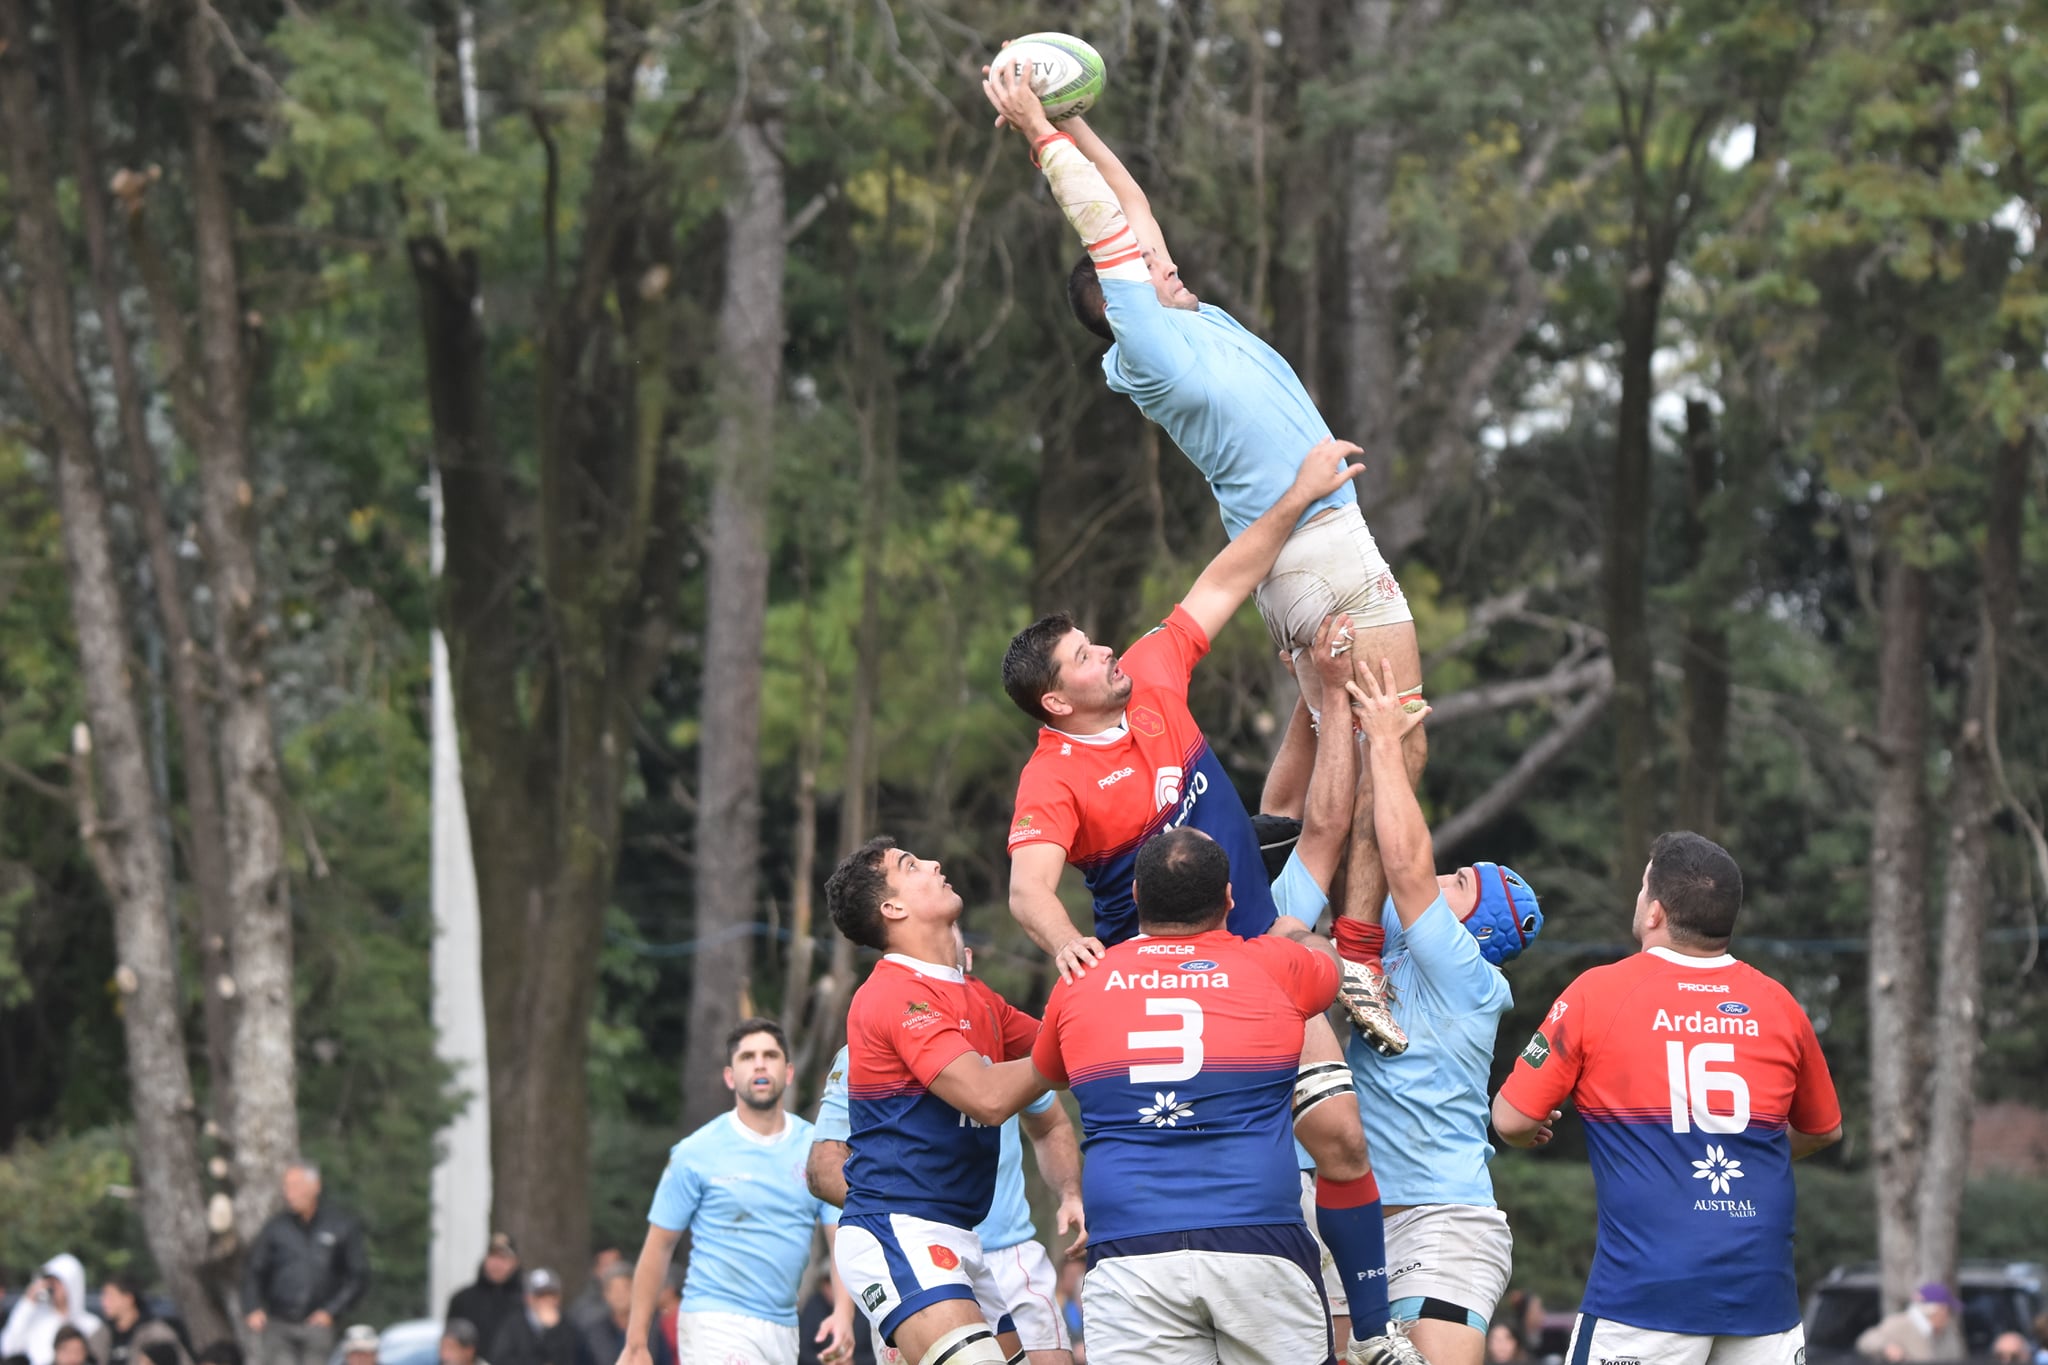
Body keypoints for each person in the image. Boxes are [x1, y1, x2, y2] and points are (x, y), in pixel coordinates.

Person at [1000, 447, 1406, 1351]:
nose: (1106, 650)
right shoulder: (1051, 780)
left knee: (1341, 1138)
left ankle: (1374, 1334)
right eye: (1082, 655)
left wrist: (1300, 492)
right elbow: (1028, 887)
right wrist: (1067, 937)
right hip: (1169, 975)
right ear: (1056, 703)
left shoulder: (1150, 677)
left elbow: (1226, 577)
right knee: (1192, 1160)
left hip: (1257, 944)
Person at [1029, 826, 1415, 1365]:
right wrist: (1296, 934)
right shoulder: (1277, 966)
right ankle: (1376, 1333)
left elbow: (1049, 1070)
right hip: (1258, 1239)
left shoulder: (1081, 980)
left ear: (1136, 896)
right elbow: (1328, 962)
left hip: (1129, 1250)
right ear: (1230, 899)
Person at [1491, 831, 1845, 1365]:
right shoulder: (1780, 1003)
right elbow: (1823, 1130)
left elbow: (1512, 1119)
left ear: (1654, 911)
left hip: (1644, 1298)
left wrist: (1529, 1131)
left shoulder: (1597, 992)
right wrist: (1751, 1149)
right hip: (1764, 1297)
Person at [1333, 657, 1544, 1365]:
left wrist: (1388, 740)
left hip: (1443, 1224)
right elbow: (1367, 835)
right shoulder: (1393, 938)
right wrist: (1349, 714)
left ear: (1478, 929)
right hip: (1351, 1221)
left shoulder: (1469, 976)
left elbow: (1405, 859)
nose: (1442, 871)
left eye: (1461, 882)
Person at [809, 934, 1087, 1365]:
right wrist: (905, 1203)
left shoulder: (999, 1031)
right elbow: (823, 1167)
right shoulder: (867, 1045)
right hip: (911, 1242)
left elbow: (1051, 1117)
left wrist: (1071, 1193)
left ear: (966, 962)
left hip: (1006, 1249)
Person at [822, 837, 1049, 1365]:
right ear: (892, 908)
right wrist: (1064, 1056)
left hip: (959, 1236)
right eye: (911, 864)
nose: (934, 862)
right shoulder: (895, 994)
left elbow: (1066, 1045)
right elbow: (991, 1098)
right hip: (897, 1228)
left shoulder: (977, 997)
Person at [616, 1018, 845, 1365]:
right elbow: (658, 1247)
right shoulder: (695, 1152)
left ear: (789, 1072)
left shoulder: (818, 1151)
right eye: (747, 1057)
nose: (759, 1064)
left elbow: (841, 1238)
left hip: (783, 1327)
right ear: (729, 1076)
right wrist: (636, 1343)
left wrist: (843, 1311)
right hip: (714, 1320)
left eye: (770, 1055)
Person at [240, 1162, 368, 1365]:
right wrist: (252, 1305)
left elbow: (357, 1276)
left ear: (315, 1186)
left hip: (318, 1324)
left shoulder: (340, 1224)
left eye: (295, 1186)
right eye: (286, 1187)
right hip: (279, 1323)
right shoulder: (276, 1228)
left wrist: (331, 1311)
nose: (289, 1193)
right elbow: (254, 1270)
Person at [2, 1256, 108, 1365]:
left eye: (58, 1282)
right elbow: (9, 1348)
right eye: (50, 1281)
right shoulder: (37, 1321)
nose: (53, 1286)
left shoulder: (92, 1325)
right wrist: (27, 1303)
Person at [447, 1235, 523, 1358]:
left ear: (515, 1262)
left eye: (503, 1258)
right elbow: (450, 1345)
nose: (497, 1264)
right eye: (493, 1256)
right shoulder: (462, 1300)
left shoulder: (526, 1301)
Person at [1853, 1283, 1964, 1362]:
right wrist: (1886, 1346)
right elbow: (1866, 1340)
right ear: (1938, 1310)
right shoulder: (1899, 1323)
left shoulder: (1931, 1332)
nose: (1949, 1317)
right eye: (1948, 1311)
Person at [488, 1271, 580, 1365]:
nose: (547, 1300)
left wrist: (553, 1330)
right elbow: (500, 1360)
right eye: (540, 1295)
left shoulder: (567, 1325)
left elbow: (572, 1357)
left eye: (551, 1295)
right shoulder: (513, 1325)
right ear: (528, 1298)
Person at [100, 1276, 191, 1365]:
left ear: (128, 1298)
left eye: (110, 1296)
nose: (104, 1302)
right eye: (104, 1297)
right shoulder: (103, 1333)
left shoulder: (156, 1333)